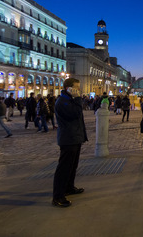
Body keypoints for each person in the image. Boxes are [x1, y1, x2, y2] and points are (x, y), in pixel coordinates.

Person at [52, 78, 88, 208]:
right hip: (68, 138)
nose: (79, 90)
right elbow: (75, 113)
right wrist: (78, 99)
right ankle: (58, 196)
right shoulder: (63, 101)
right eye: (76, 88)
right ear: (69, 88)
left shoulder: (69, 100)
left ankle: (69, 187)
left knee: (72, 166)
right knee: (64, 168)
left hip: (74, 137)